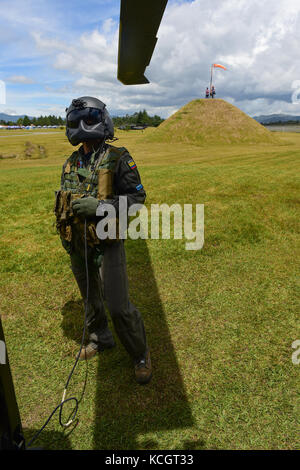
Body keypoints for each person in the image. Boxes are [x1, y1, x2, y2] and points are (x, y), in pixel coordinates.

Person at [54, 96, 152, 385]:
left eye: (90, 118)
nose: (83, 126)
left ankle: (140, 353)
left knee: (119, 305)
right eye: (76, 120)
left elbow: (137, 199)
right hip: (77, 245)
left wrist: (100, 208)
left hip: (107, 244)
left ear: (103, 122)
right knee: (91, 298)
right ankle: (100, 338)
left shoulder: (118, 157)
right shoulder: (71, 162)